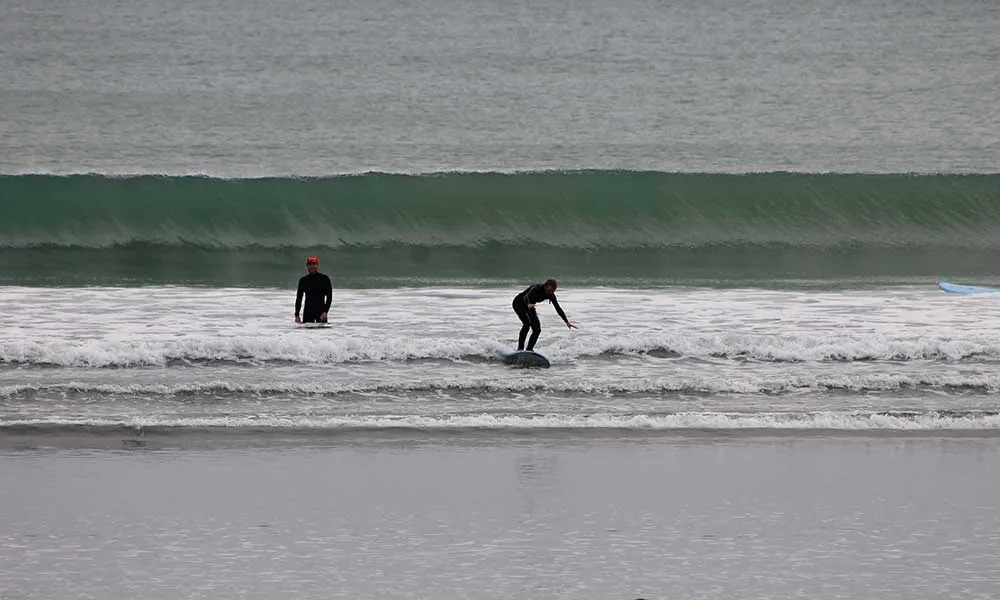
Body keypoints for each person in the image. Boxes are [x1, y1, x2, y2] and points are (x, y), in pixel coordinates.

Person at [512, 278, 576, 351]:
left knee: (537, 329)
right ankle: (520, 349)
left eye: (552, 291)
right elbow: (526, 297)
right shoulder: (537, 288)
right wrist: (528, 304)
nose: (550, 293)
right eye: (549, 290)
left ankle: (529, 350)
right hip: (518, 303)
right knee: (526, 324)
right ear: (545, 286)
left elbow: (558, 308)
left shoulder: (551, 295)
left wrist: (566, 322)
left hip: (530, 306)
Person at [294, 256, 333, 323]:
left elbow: (329, 297)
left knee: (322, 333)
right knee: (307, 332)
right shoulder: (303, 280)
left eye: (314, 264)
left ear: (317, 265)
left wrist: (325, 312)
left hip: (320, 312)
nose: (312, 266)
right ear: (307, 266)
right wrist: (297, 315)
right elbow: (299, 298)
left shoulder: (324, 279)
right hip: (308, 312)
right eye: (310, 264)